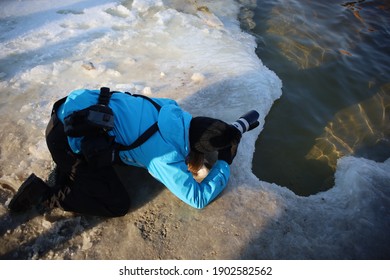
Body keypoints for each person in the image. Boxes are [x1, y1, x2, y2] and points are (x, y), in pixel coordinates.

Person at [8, 88, 259, 217]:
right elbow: (197, 199)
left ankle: (71, 169)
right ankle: (45, 194)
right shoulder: (165, 157)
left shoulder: (169, 107)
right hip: (63, 139)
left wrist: (230, 131)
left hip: (67, 109)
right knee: (117, 205)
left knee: (116, 148)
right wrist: (225, 162)